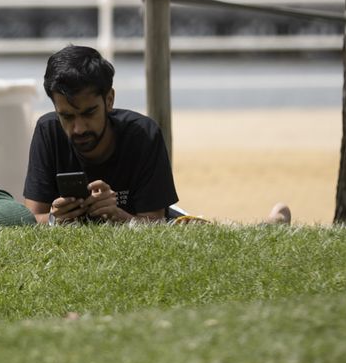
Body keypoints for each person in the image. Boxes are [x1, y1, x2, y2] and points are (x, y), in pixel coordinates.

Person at [23, 44, 291, 226]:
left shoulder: (143, 134)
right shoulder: (48, 131)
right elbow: (33, 218)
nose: (79, 128)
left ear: (109, 100)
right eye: (67, 116)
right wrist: (56, 219)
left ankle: (273, 223)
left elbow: (155, 224)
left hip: (159, 218)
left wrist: (116, 215)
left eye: (89, 113)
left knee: (199, 231)